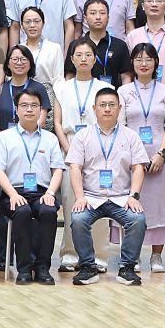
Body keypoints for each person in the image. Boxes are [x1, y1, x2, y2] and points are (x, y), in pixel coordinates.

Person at [66, 87, 149, 286]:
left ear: (119, 108)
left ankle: (127, 268)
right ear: (94, 108)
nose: (107, 109)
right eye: (102, 105)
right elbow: (75, 168)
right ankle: (88, 267)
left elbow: (138, 167)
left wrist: (134, 196)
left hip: (121, 198)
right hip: (91, 197)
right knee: (78, 219)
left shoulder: (131, 136)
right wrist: (80, 196)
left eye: (112, 105)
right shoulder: (83, 136)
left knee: (137, 219)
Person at [0, 84, 64, 285]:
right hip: (14, 192)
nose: (29, 109)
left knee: (48, 212)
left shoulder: (50, 139)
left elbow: (58, 169)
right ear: (16, 109)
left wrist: (50, 193)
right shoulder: (5, 137)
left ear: (41, 109)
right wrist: (13, 194)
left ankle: (42, 266)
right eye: (24, 105)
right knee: (21, 212)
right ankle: (23, 268)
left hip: (42, 192)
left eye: (34, 105)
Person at [120, 43, 165, 273]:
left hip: (160, 158)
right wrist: (135, 158)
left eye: (148, 59)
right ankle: (133, 254)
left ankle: (157, 256)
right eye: (138, 59)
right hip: (131, 158)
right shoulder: (123, 92)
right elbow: (121, 126)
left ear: (156, 63)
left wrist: (162, 154)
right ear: (132, 63)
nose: (143, 63)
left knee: (159, 205)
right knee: (133, 206)